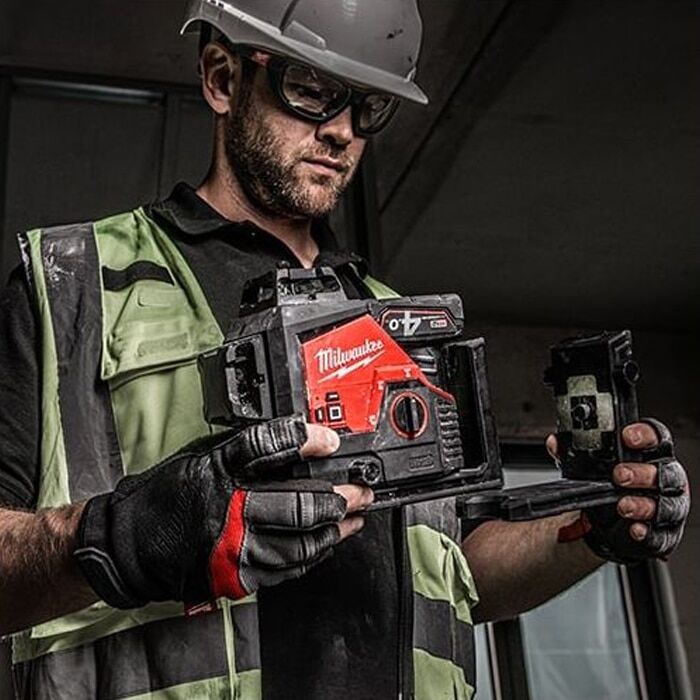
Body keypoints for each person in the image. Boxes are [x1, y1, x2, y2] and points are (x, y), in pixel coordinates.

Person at [0, 1, 689, 698]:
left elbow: (458, 573)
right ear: (222, 78)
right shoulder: (76, 286)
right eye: (311, 89)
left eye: (367, 106)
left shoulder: (403, 322)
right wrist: (124, 538)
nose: (342, 131)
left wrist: (592, 526)